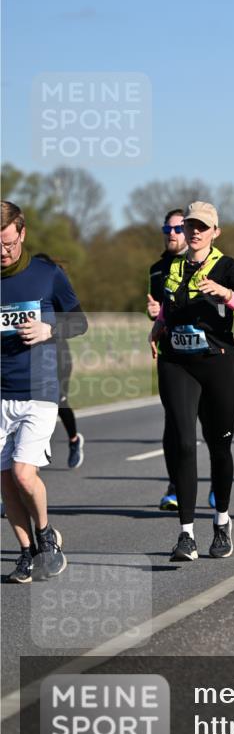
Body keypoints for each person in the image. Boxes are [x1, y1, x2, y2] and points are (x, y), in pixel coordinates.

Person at [149, 201, 234, 561]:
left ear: (215, 232)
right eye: (190, 225)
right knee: (184, 442)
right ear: (183, 229)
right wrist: (157, 328)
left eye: (203, 226)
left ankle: (221, 523)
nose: (195, 231)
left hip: (219, 365)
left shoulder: (228, 268)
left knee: (218, 446)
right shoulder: (169, 268)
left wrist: (228, 295)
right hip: (176, 363)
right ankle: (186, 535)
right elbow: (170, 307)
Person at [1, 201, 87, 583]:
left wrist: (50, 331)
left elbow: (79, 321)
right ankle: (26, 551)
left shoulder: (46, 273)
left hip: (39, 389)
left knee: (22, 474)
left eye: (8, 243)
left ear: (22, 233)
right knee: (5, 482)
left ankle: (46, 534)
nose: (3, 252)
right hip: (0, 392)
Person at [147, 209, 188, 511]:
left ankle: (215, 481)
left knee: (210, 424)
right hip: (171, 354)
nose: (171, 234)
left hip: (204, 354)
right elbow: (157, 310)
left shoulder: (205, 263)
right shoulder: (156, 269)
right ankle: (175, 485)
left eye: (177, 229)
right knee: (173, 424)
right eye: (167, 228)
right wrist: (154, 316)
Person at [33, 255, 84, 468]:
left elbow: (77, 323)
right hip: (30, 358)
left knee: (58, 402)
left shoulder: (58, 294)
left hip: (58, 356)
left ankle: (74, 440)